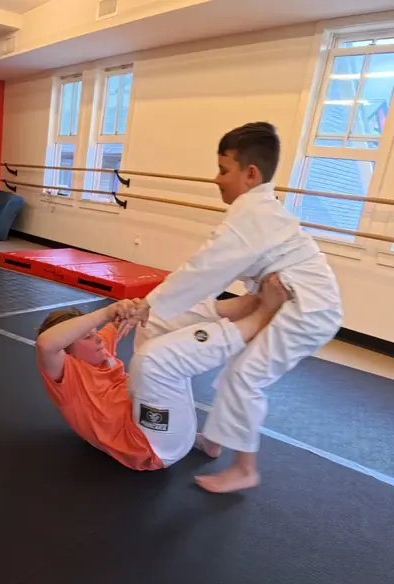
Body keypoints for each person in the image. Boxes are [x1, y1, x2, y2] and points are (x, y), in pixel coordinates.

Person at [132, 121, 344, 493]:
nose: (216, 179)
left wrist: (150, 305)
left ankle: (246, 469)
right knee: (233, 367)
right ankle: (215, 440)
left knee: (245, 376)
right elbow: (212, 269)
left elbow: (204, 268)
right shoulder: (256, 211)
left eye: (223, 170)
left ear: (250, 174)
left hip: (307, 310)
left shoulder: (254, 215)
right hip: (284, 300)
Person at [36, 278, 289, 471]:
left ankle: (242, 306)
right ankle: (261, 316)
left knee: (152, 320)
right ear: (67, 351)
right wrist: (103, 312)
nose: (97, 338)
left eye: (94, 331)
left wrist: (135, 307)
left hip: (163, 428)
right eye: (86, 336)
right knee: (153, 362)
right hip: (147, 447)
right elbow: (46, 344)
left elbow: (136, 315)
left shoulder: (99, 346)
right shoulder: (65, 374)